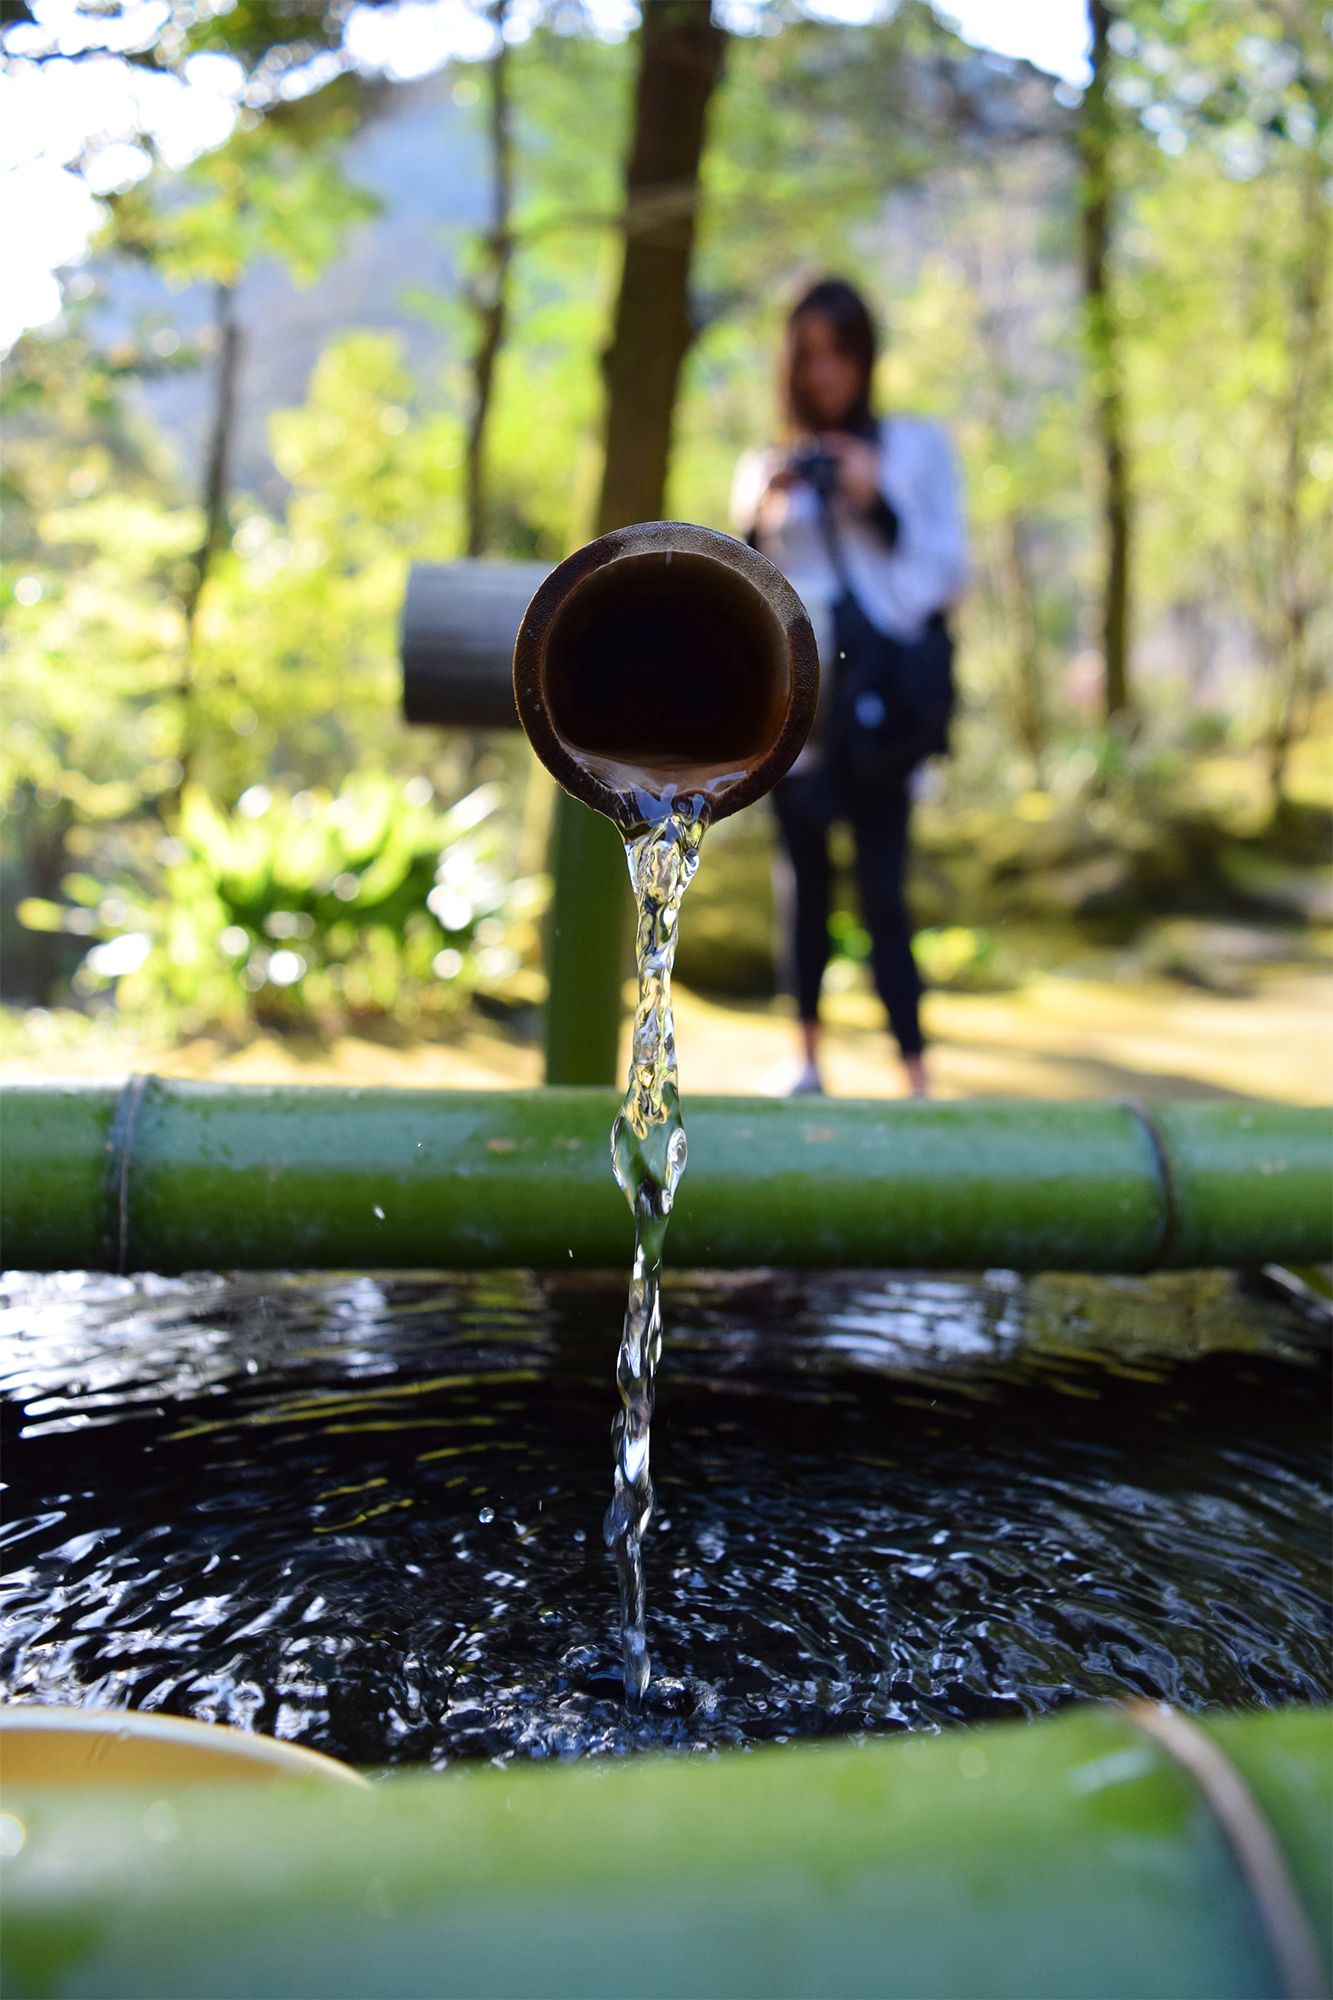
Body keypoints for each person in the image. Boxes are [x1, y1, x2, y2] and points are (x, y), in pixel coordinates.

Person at [731, 276, 967, 1098]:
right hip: (798, 708)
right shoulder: (765, 464)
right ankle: (805, 1059)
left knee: (881, 890)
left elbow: (941, 574)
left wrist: (877, 500)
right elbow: (748, 592)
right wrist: (762, 513)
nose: (826, 372)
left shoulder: (914, 448)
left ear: (866, 357)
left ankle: (914, 1071)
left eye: (841, 352)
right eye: (810, 356)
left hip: (883, 706)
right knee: (800, 887)